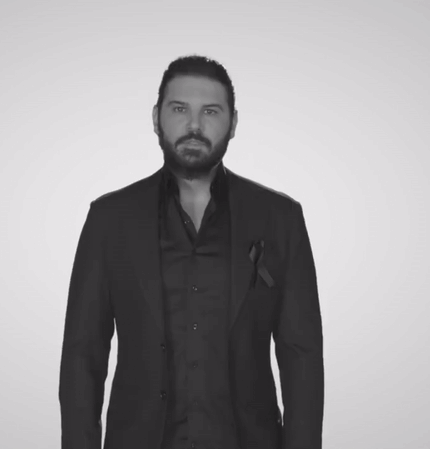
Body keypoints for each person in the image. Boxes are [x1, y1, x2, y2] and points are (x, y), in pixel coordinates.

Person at [58, 54, 324, 449]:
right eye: (180, 109)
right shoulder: (109, 219)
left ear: (233, 123)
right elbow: (83, 355)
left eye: (210, 111)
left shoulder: (280, 218)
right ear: (156, 118)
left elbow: (301, 355)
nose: (194, 125)